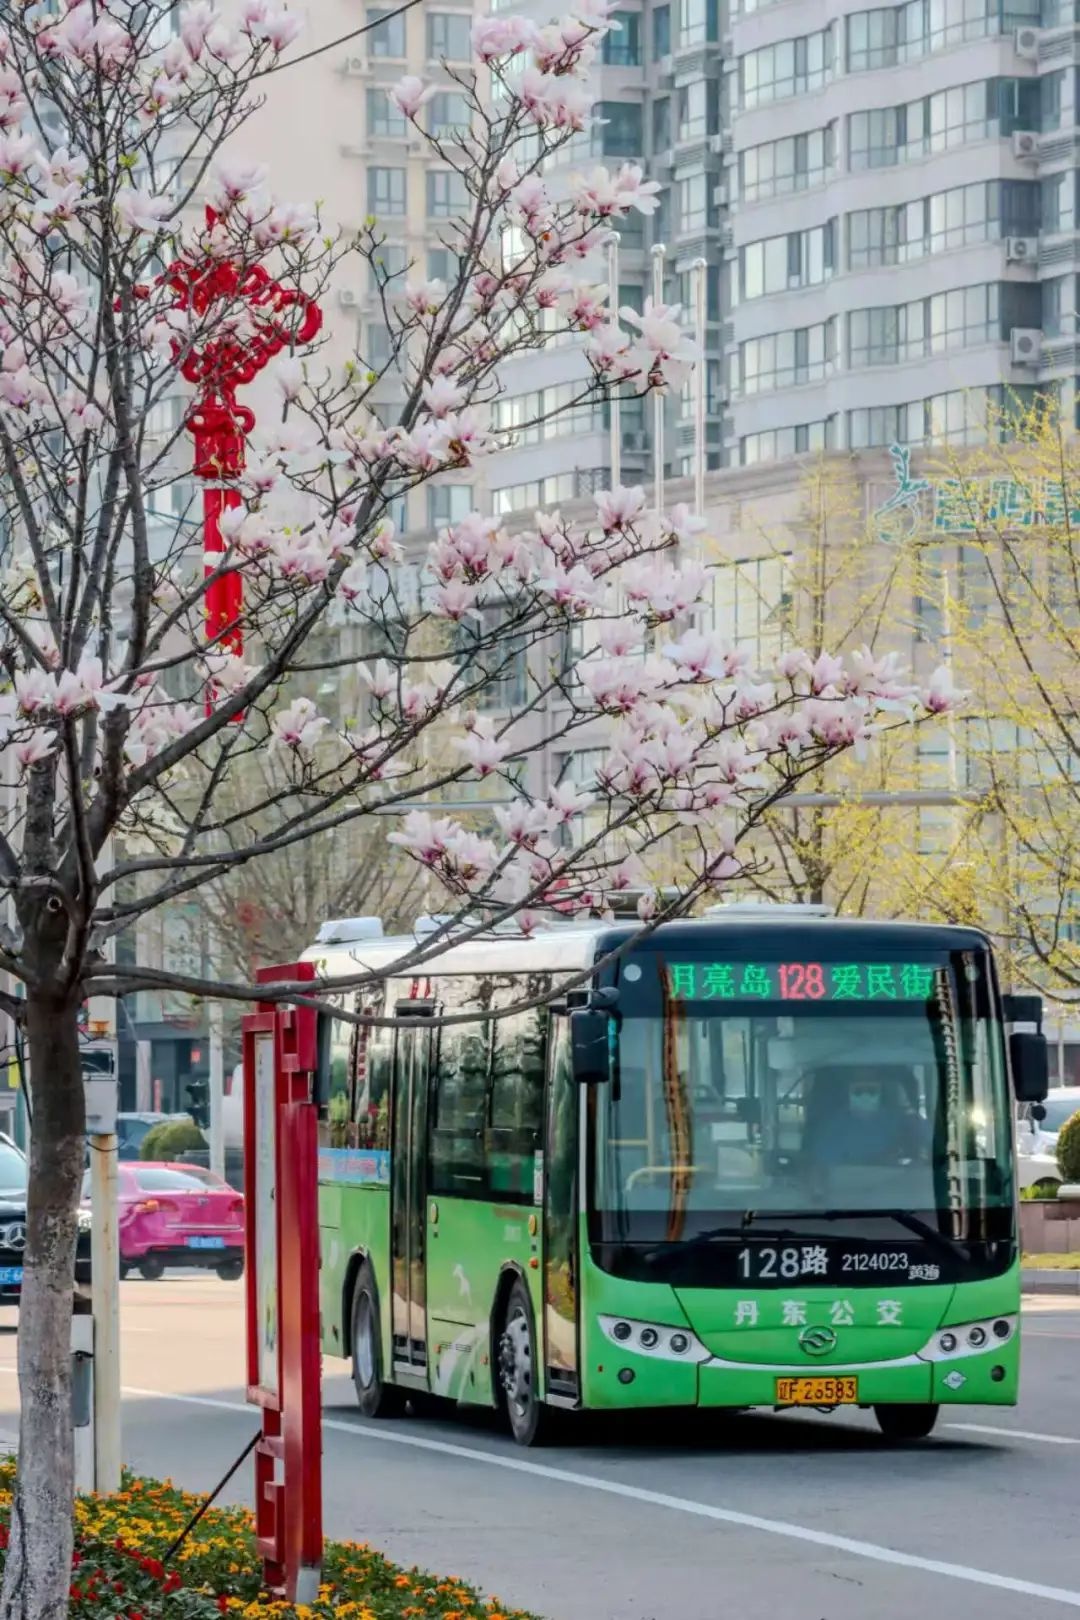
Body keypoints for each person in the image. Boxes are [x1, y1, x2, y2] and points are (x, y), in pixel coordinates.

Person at [806, 1069, 928, 1169]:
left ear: (881, 1089)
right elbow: (824, 1168)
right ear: (847, 1091)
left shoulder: (903, 1121)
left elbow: (936, 1147)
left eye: (871, 1090)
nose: (865, 1096)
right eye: (858, 1091)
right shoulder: (832, 1128)